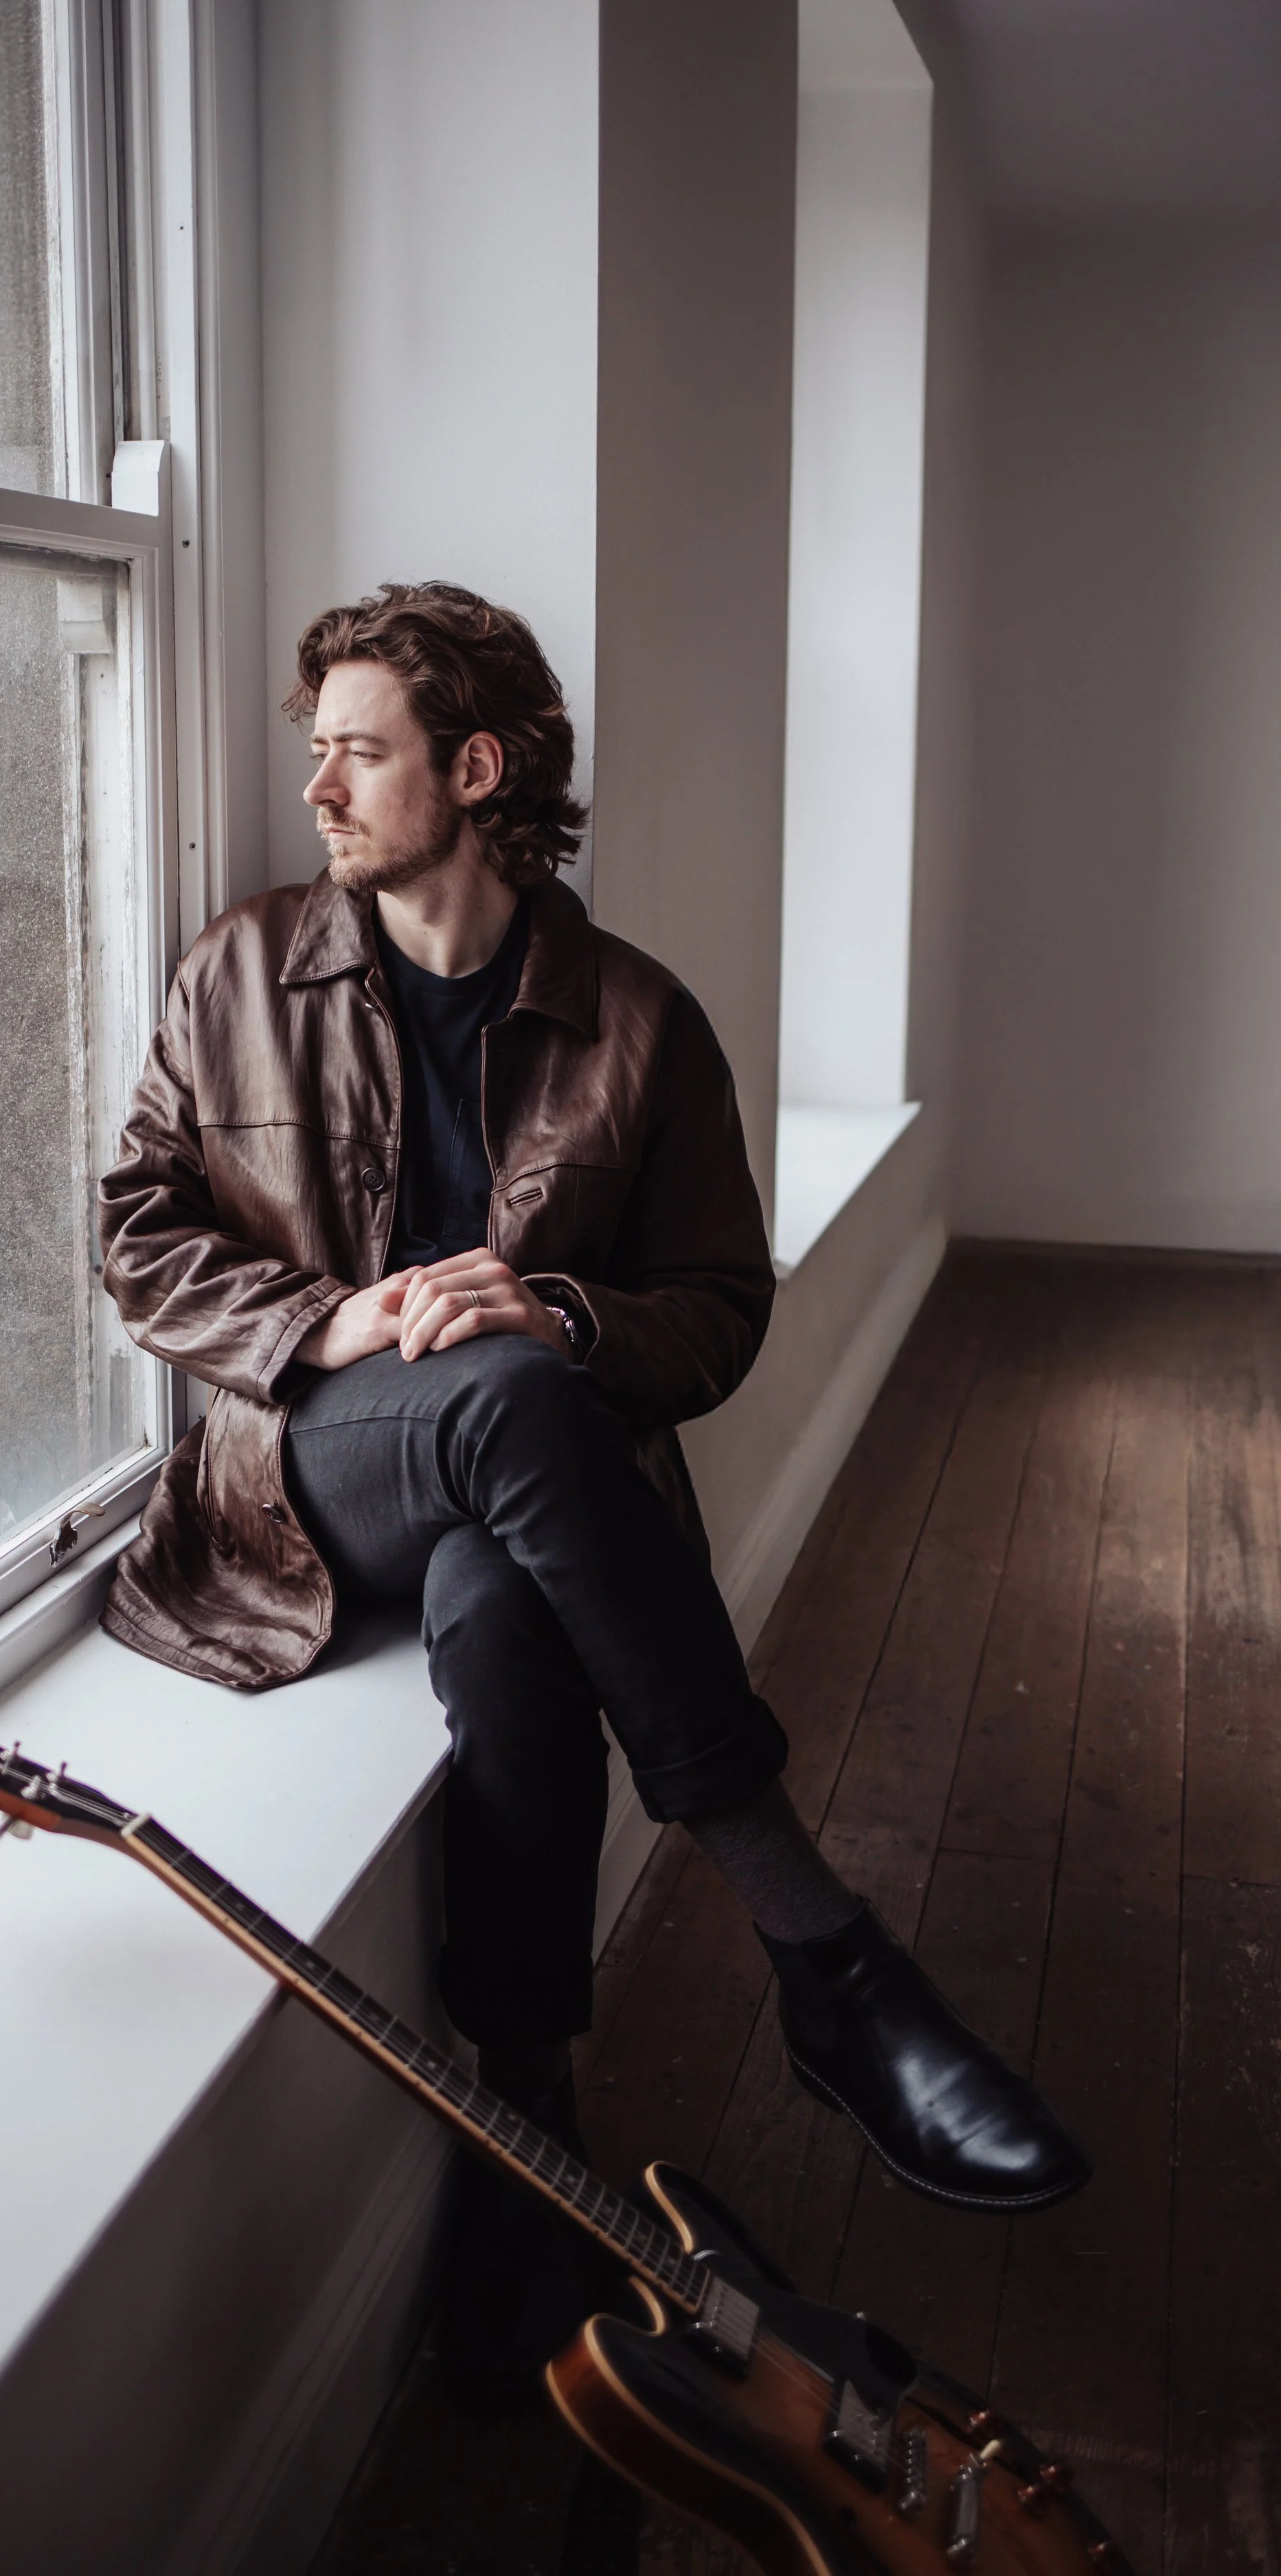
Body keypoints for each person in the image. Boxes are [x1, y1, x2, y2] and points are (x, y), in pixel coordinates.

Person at [96, 581, 1088, 2405]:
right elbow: (135, 1234)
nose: (313, 785)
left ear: (473, 771)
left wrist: (548, 1301)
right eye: (310, 749)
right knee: (502, 1415)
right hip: (303, 1485)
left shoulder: (637, 1019)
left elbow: (717, 1311)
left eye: (356, 750)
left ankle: (522, 2141)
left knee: (503, 1582)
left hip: (508, 1498)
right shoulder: (241, 970)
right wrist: (331, 1318)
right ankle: (822, 1953)